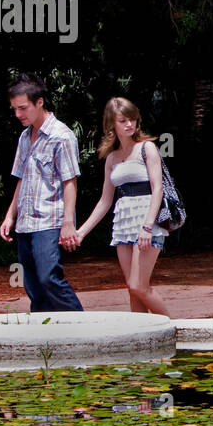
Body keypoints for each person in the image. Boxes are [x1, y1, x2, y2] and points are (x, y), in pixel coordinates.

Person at [75, 97, 171, 316]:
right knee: (132, 288)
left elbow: (158, 189)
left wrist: (147, 226)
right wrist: (81, 232)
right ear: (112, 124)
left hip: (147, 222)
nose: (130, 124)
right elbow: (105, 201)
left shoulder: (147, 148)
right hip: (123, 224)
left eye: (133, 120)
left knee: (139, 286)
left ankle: (170, 328)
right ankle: (142, 337)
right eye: (123, 120)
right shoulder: (112, 158)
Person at [0, 74, 84, 312]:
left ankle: (85, 330)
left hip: (49, 220)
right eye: (14, 109)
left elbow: (70, 181)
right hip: (25, 223)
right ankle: (44, 338)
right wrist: (9, 216)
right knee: (34, 286)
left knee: (49, 279)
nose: (18, 115)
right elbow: (21, 180)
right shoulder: (25, 137)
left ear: (39, 102)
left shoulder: (61, 135)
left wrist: (68, 224)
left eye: (23, 108)